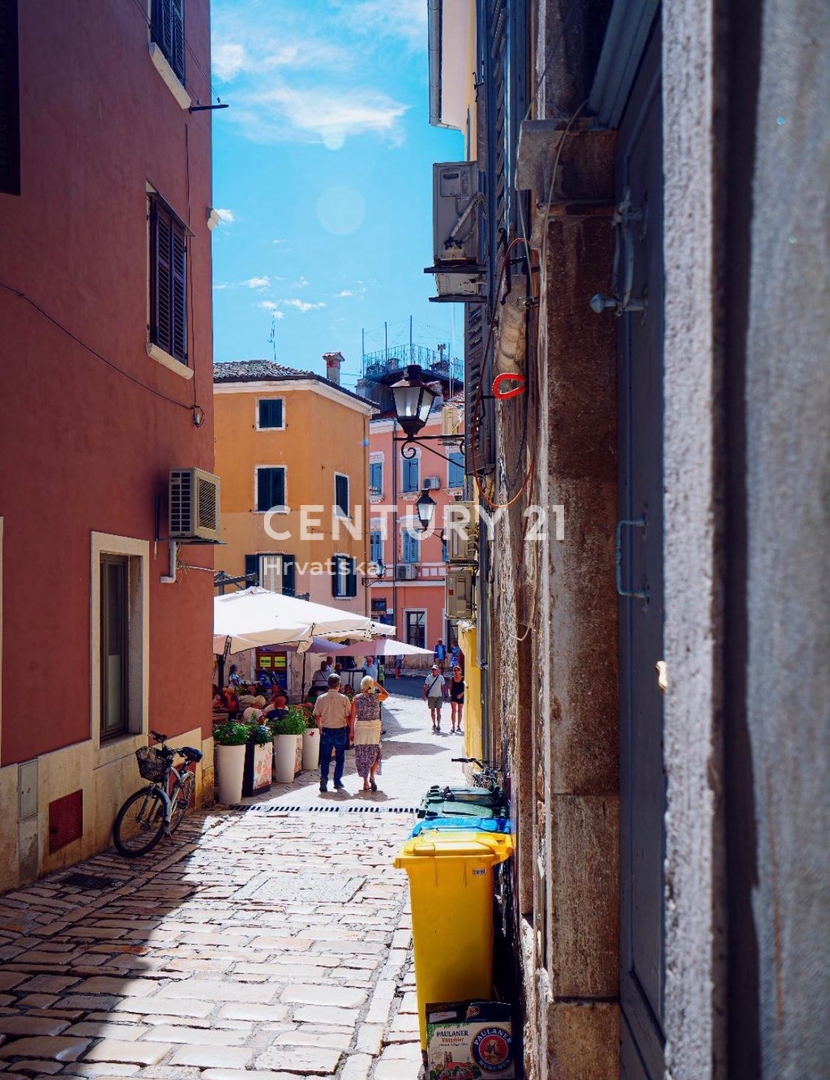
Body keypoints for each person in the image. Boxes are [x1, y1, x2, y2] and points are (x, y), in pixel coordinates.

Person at [313, 673, 353, 792]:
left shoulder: (321, 698)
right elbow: (348, 716)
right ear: (338, 685)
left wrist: (319, 725)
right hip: (340, 731)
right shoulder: (344, 698)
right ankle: (337, 781)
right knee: (340, 758)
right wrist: (351, 729)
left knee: (325, 758)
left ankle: (324, 780)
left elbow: (317, 714)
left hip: (326, 730)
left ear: (328, 684)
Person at [351, 675, 389, 792]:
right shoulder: (376, 697)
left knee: (362, 754)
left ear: (362, 685)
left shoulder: (357, 699)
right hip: (374, 728)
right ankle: (372, 776)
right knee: (375, 752)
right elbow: (387, 695)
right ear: (371, 686)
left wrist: (351, 731)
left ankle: (365, 782)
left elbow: (352, 717)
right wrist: (377, 685)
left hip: (361, 728)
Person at [423, 663, 447, 733]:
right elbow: (426, 686)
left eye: (435, 670)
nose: (434, 671)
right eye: (433, 670)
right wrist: (424, 695)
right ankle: (434, 724)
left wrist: (445, 695)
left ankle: (438, 725)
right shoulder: (428, 677)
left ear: (438, 671)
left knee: (438, 711)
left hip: (439, 696)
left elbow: (443, 687)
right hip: (431, 696)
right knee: (432, 711)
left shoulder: (441, 678)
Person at [449, 666, 465, 733]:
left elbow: (466, 688)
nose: (456, 672)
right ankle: (453, 726)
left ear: (460, 671)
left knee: (460, 710)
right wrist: (449, 694)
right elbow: (450, 687)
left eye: (457, 670)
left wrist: (462, 694)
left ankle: (458, 725)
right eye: (454, 670)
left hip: (461, 695)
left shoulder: (463, 678)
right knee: (453, 710)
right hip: (454, 695)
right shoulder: (452, 679)